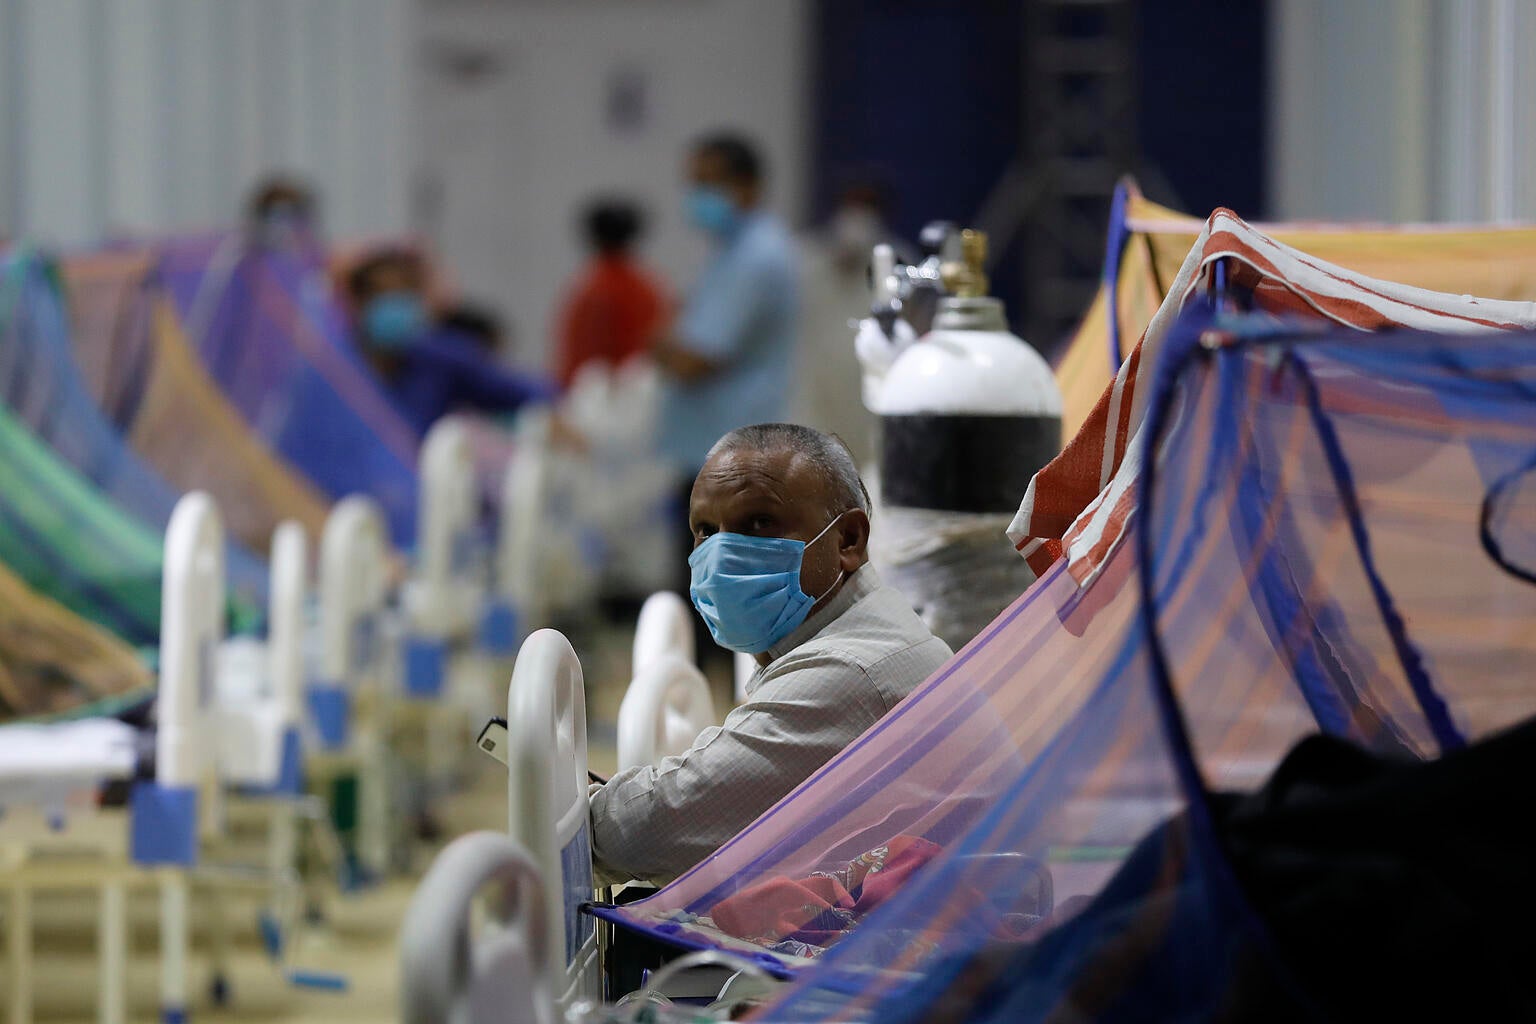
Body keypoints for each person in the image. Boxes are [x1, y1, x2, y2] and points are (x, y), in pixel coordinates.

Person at [589, 423, 954, 885]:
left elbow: (638, 834)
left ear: (847, 540)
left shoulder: (851, 671)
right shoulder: (864, 628)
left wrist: (571, 811)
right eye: (705, 531)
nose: (722, 557)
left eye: (759, 524)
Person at [651, 133, 800, 534]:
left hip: (734, 460)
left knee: (712, 581)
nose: (698, 195)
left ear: (748, 185)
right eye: (694, 183)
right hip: (710, 449)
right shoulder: (730, 250)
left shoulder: (757, 257)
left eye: (710, 183)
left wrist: (661, 348)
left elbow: (694, 360)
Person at [346, 249, 555, 437]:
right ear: (357, 302)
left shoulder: (440, 359)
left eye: (403, 294)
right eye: (383, 294)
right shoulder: (338, 365)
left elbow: (530, 392)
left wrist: (548, 418)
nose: (394, 304)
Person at [794, 180, 908, 468]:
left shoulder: (900, 264)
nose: (858, 217)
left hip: (868, 390)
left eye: (867, 207)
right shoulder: (806, 258)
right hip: (815, 389)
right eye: (853, 206)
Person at [553, 198, 668, 389]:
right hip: (633, 390)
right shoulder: (648, 287)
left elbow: (586, 353)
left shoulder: (594, 289)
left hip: (606, 396)